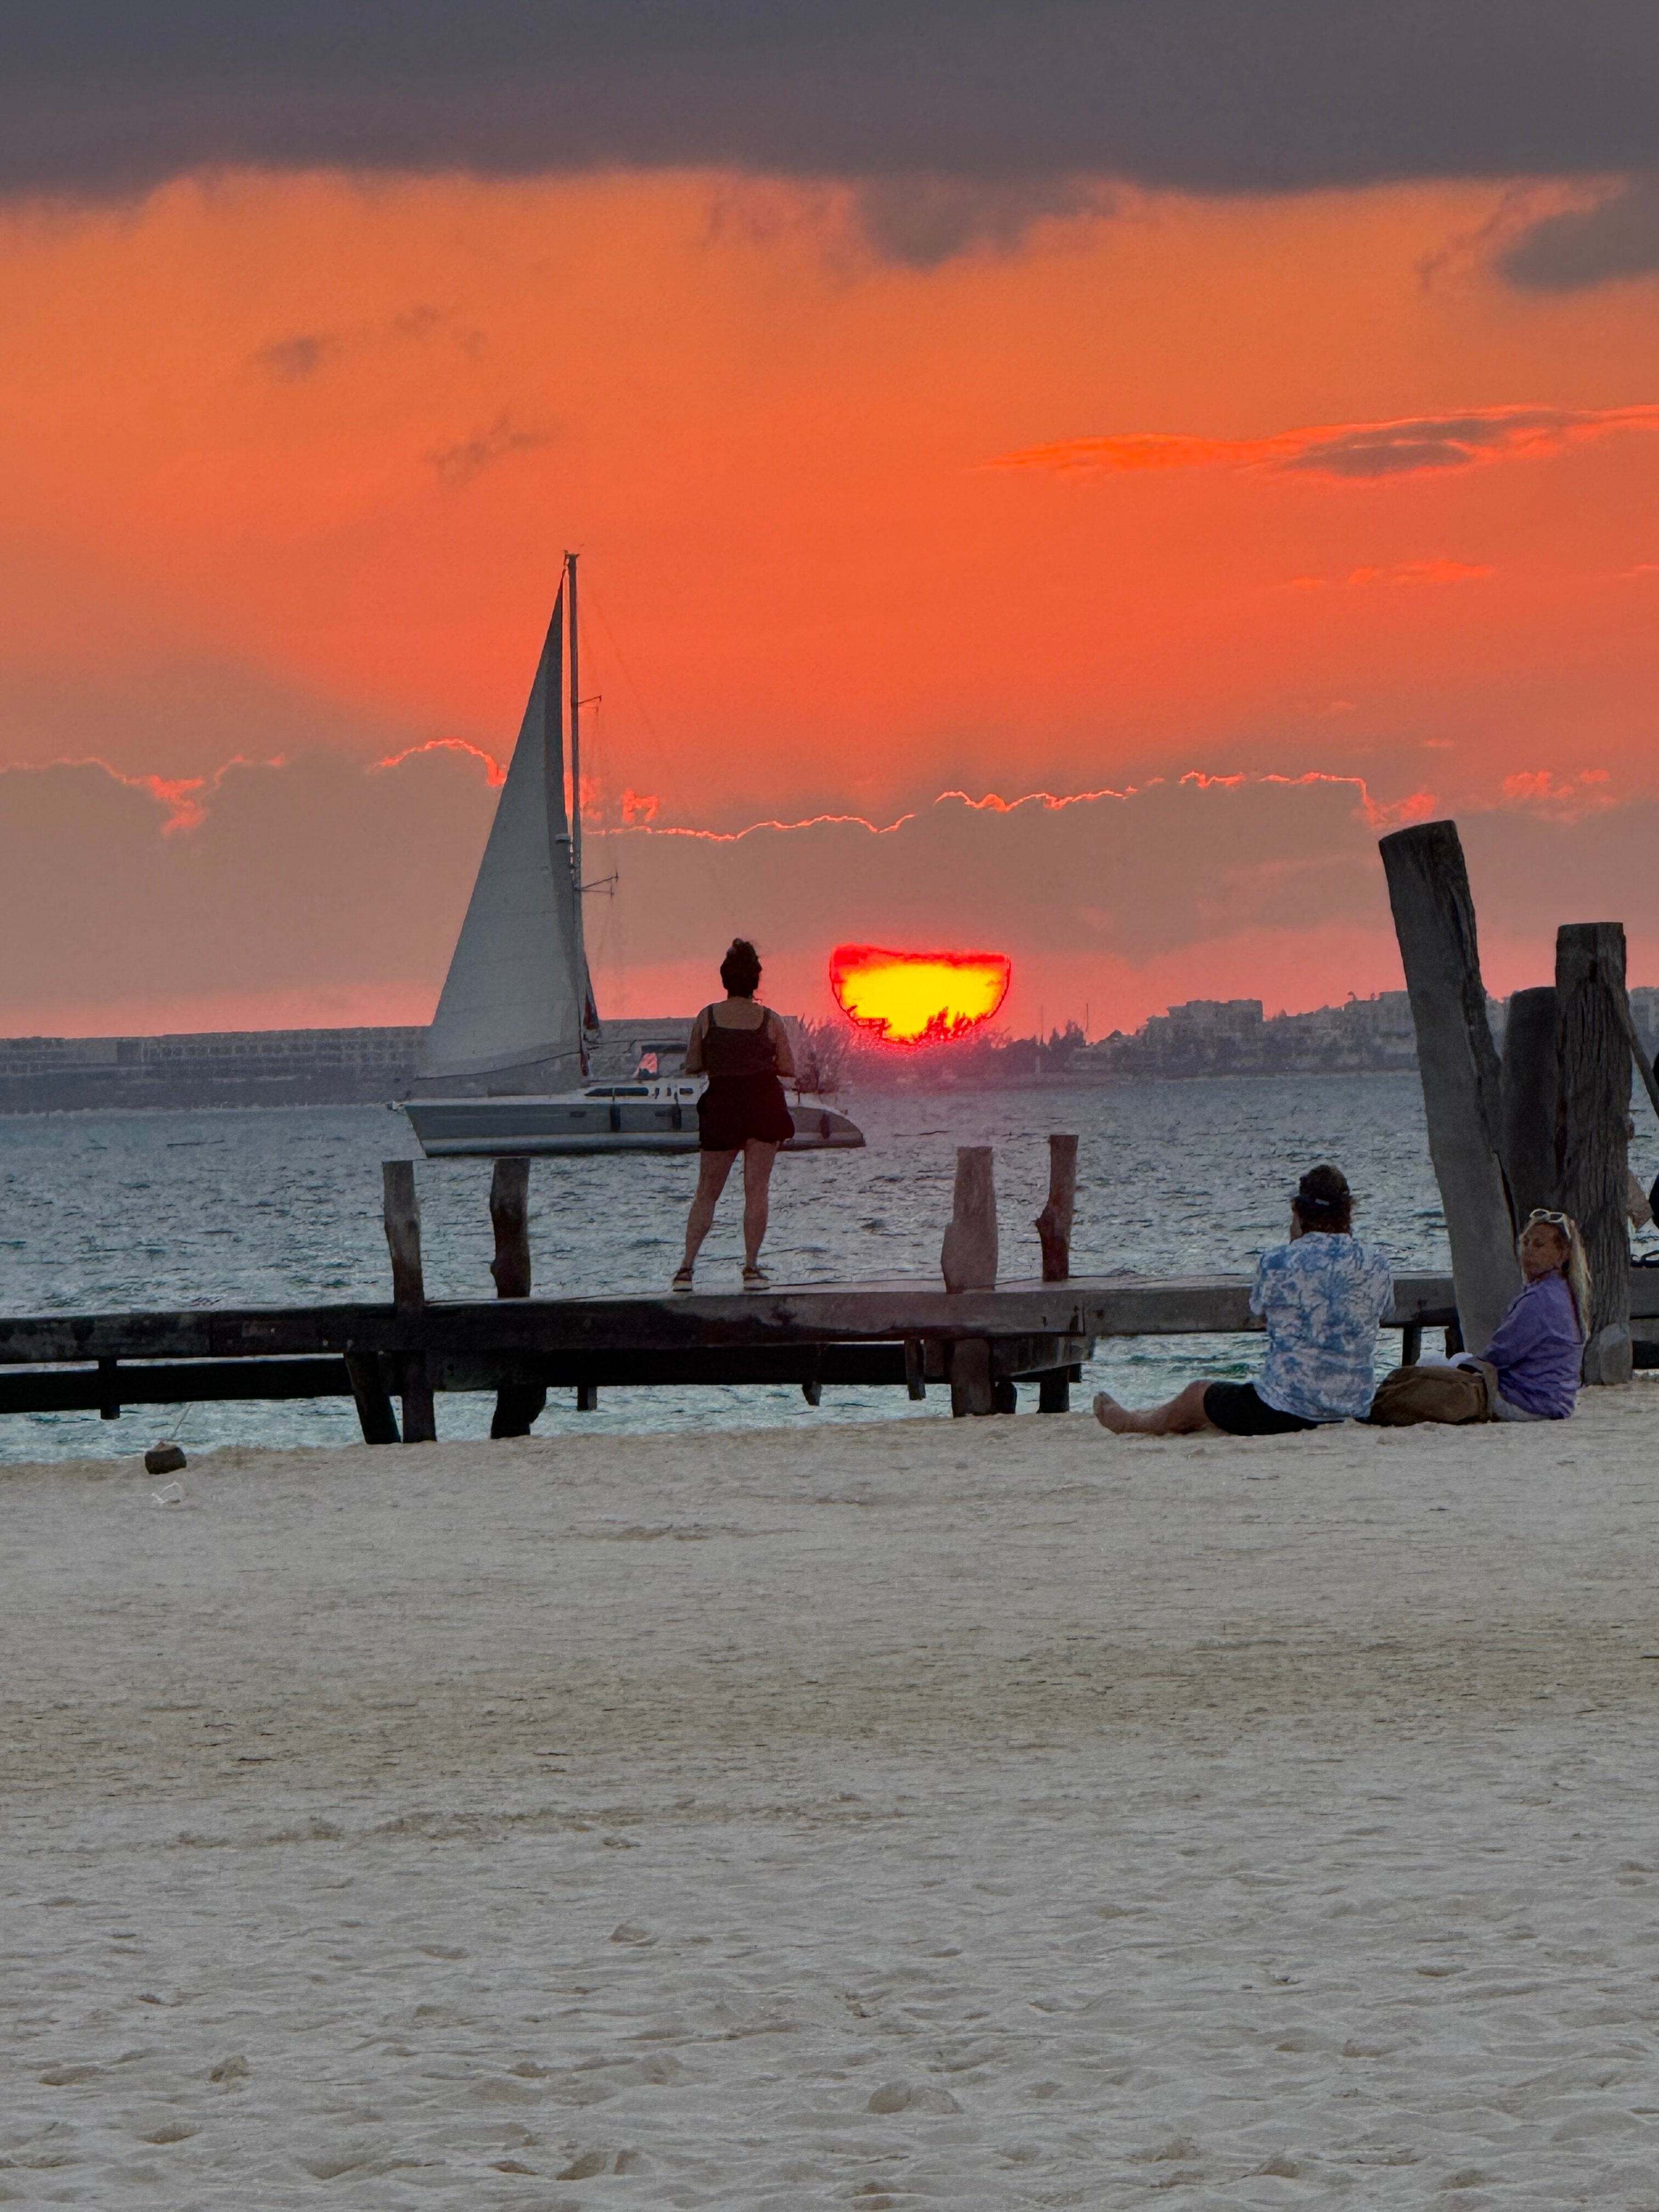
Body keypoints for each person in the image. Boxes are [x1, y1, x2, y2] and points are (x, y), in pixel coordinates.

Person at [1093, 1165, 1393, 1436]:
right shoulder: (1377, 1263)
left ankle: (1137, 1425)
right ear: (1348, 1212)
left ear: (1298, 1211)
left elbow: (1263, 1315)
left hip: (1284, 1409)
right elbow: (1382, 1313)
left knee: (1198, 1394)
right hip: (1353, 1408)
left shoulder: (1276, 1261)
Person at [674, 938, 797, 1291]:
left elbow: (693, 1064)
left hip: (722, 1106)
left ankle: (686, 1270)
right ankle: (751, 1269)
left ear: (725, 979)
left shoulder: (707, 1017)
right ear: (756, 980)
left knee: (706, 1192)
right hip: (763, 1105)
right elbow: (789, 1068)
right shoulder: (771, 1020)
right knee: (756, 1191)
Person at [1466, 1208, 1589, 1420]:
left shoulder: (1540, 1298)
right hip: (1558, 1401)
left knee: (1434, 1364)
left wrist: (1466, 1366)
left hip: (1526, 1401)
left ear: (1563, 1254)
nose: (1528, 1251)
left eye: (1539, 1245)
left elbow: (1500, 1354)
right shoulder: (1564, 1291)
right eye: (1526, 1243)